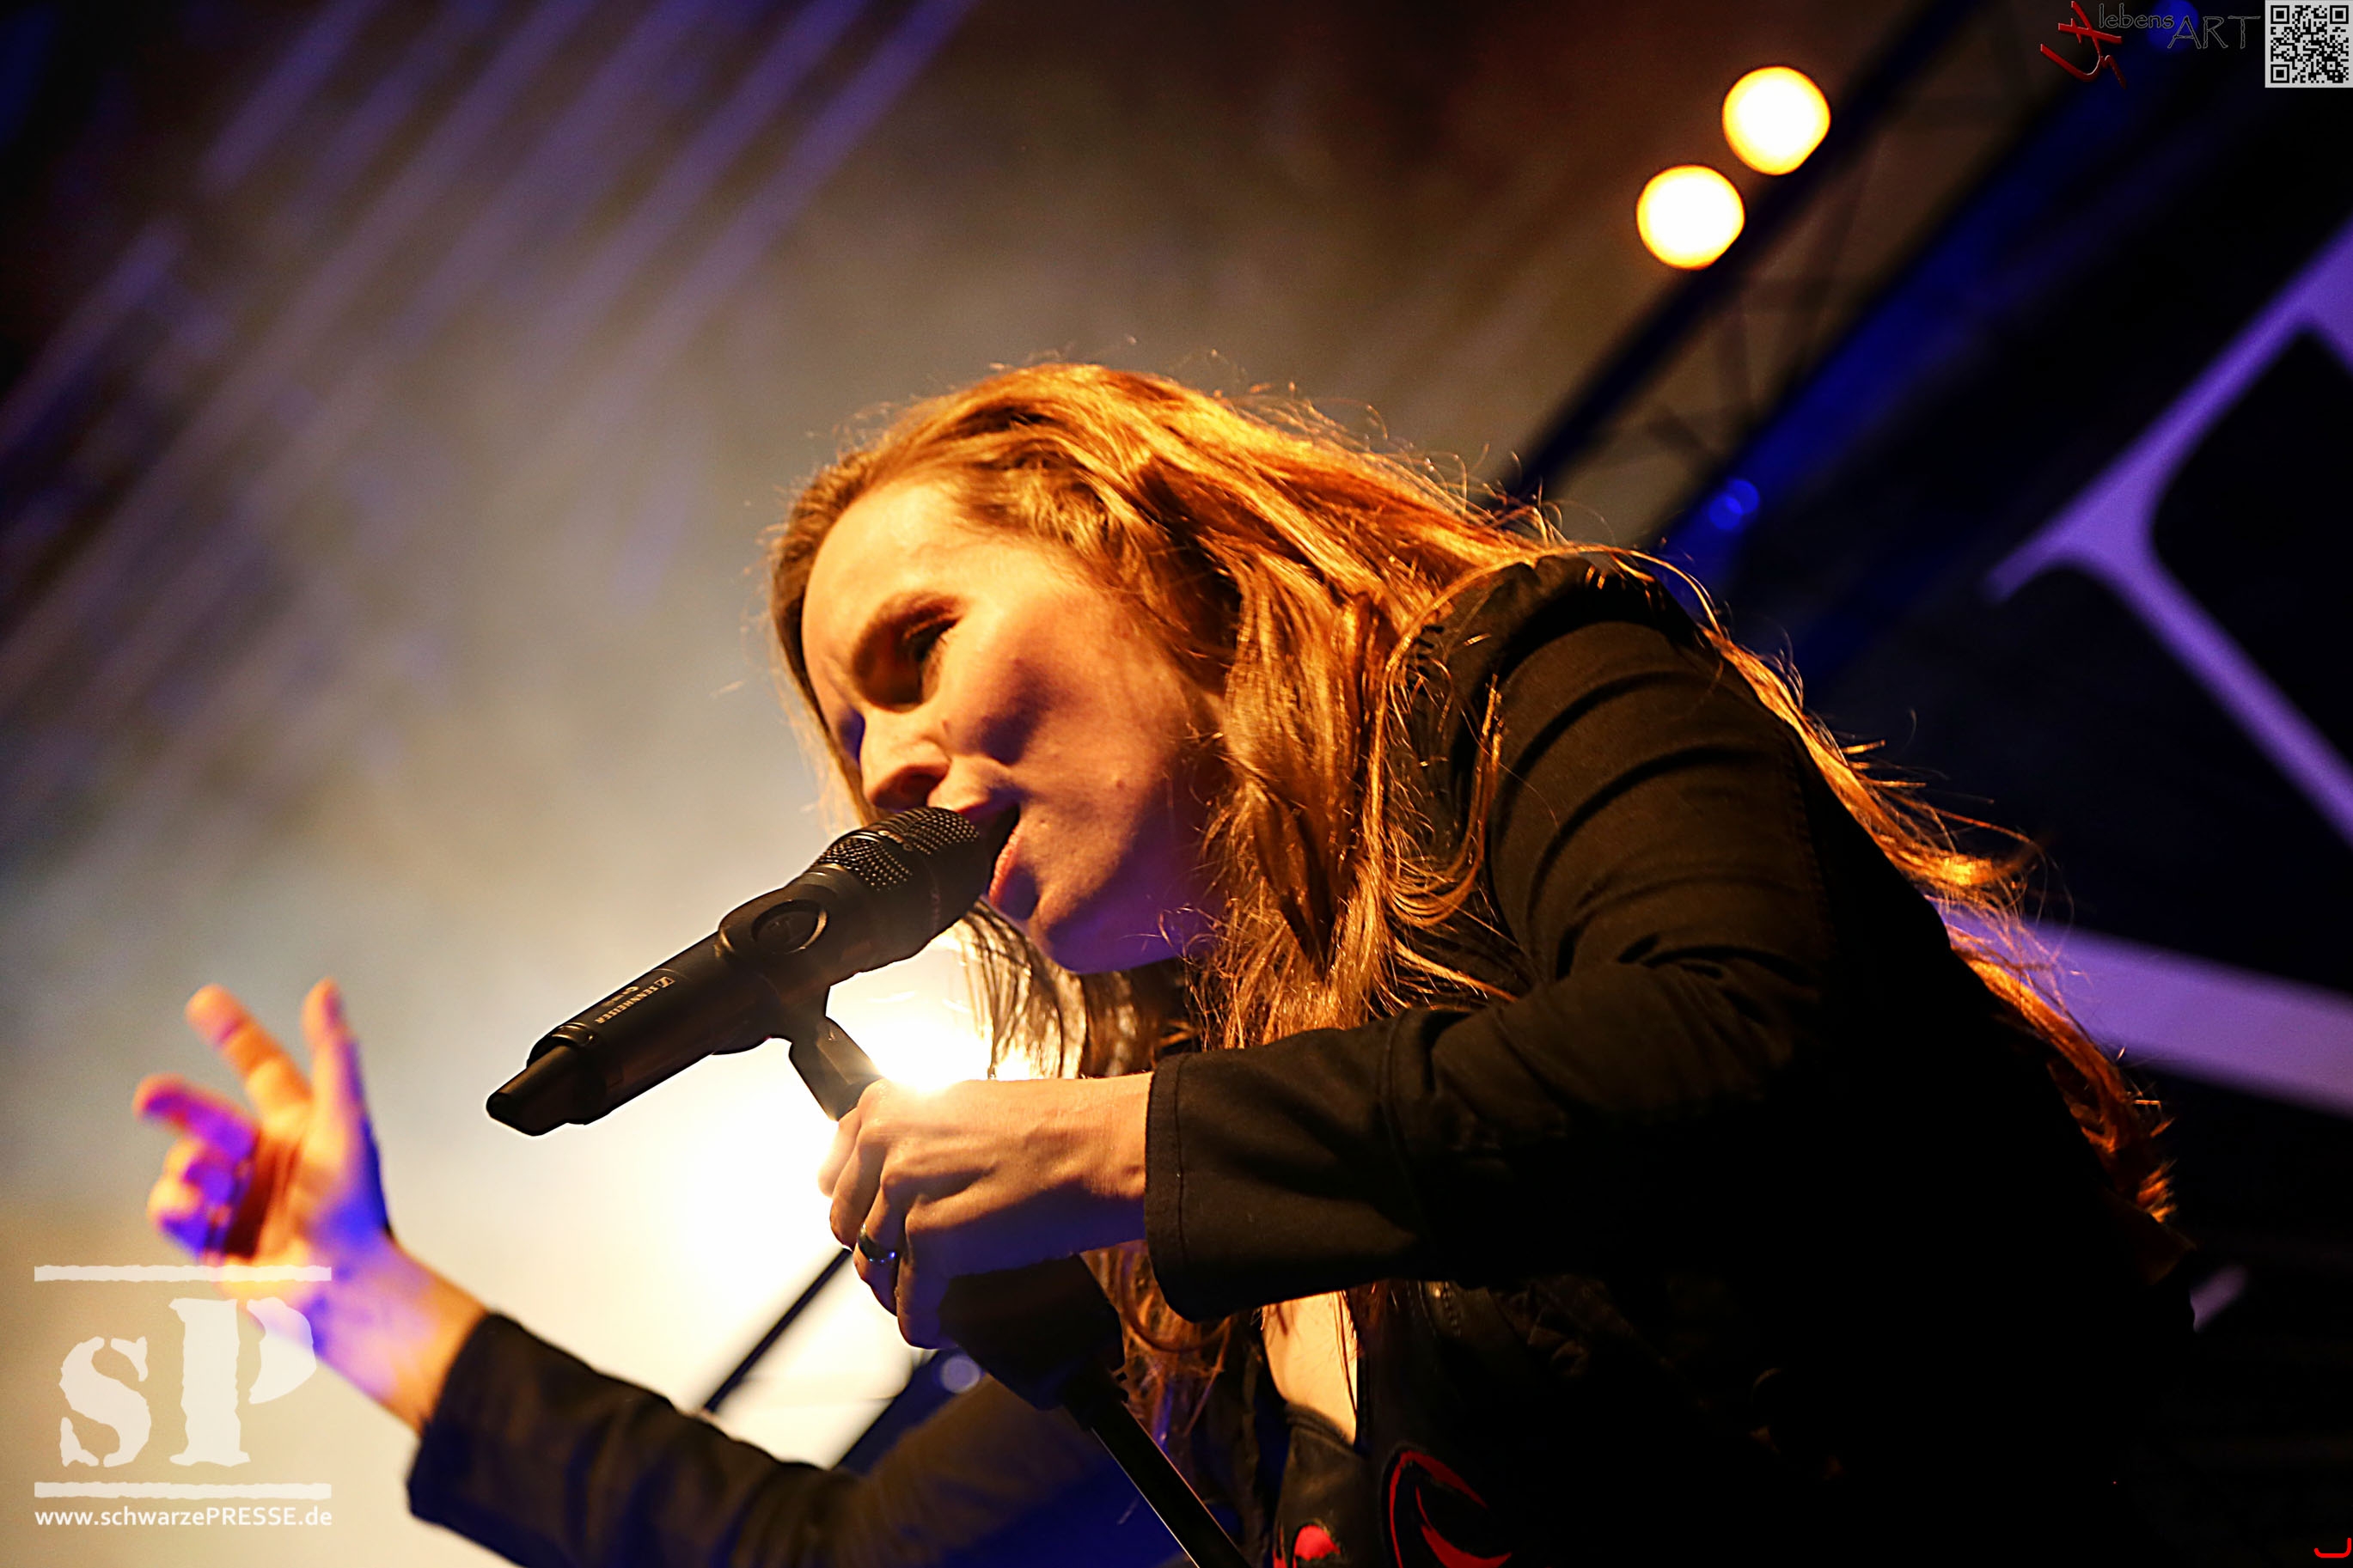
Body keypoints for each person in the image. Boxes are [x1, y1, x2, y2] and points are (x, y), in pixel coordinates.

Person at [135, 363, 2193, 1566]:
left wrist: (1134, 1145)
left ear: (1143, 548)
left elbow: (1753, 1035)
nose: (885, 763)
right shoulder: (1196, 1274)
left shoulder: (1520, 687)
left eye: (916, 652)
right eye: (848, 739)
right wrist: (369, 1301)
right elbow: (835, 1556)